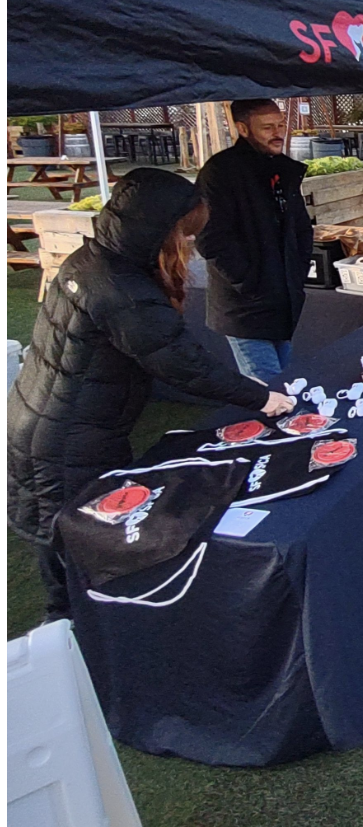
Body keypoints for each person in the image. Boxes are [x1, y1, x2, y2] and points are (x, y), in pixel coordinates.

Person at [7, 169, 295, 621]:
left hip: (45, 421)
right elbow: (180, 362)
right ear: (159, 232)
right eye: (185, 234)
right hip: (64, 441)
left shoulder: (93, 259)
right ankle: (71, 643)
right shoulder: (123, 290)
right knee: (73, 551)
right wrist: (260, 398)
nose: (190, 246)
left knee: (68, 539)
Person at [196, 99, 313, 382]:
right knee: (269, 387)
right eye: (267, 127)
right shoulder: (219, 172)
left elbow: (301, 228)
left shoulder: (280, 169)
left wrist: (295, 274)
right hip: (245, 306)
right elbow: (210, 238)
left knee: (282, 381)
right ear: (242, 128)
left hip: (282, 298)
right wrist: (249, 282)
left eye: (281, 125)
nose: (278, 132)